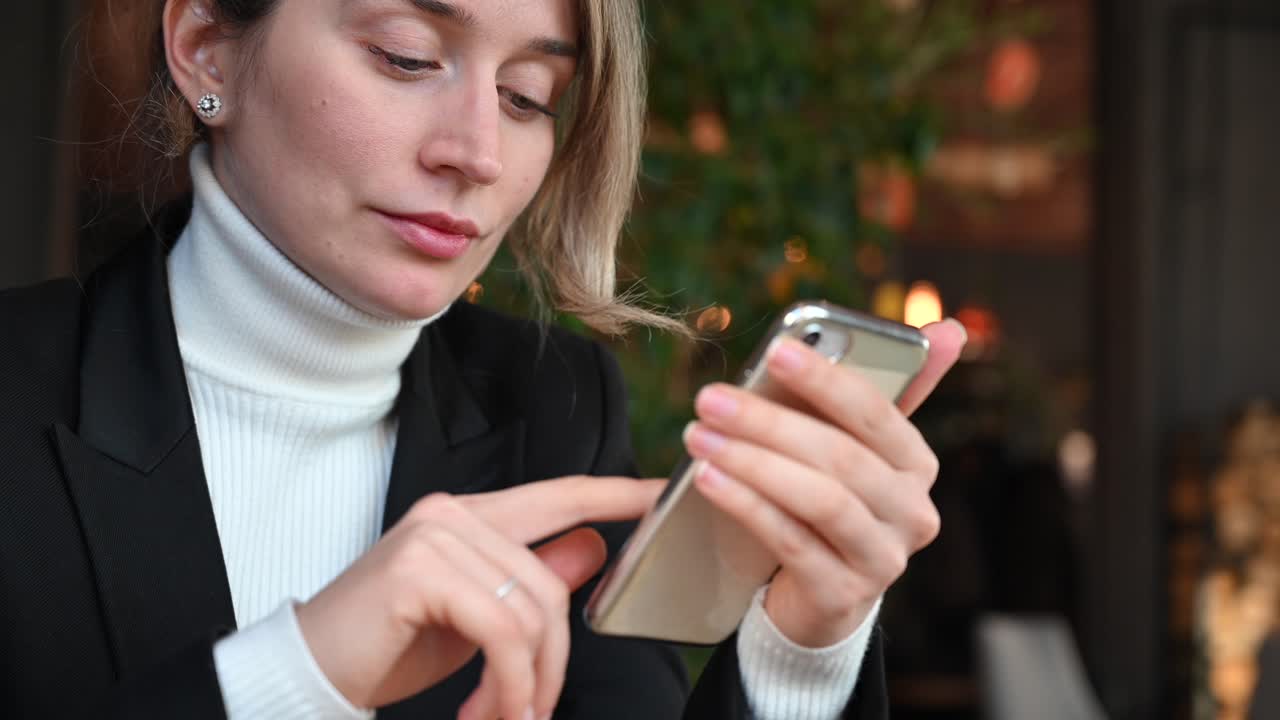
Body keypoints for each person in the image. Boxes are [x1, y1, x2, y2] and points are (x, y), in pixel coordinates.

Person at [0, 0, 966, 718]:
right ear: (206, 44)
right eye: (407, 58)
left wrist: (804, 647)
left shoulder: (556, 408)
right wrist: (297, 674)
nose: (478, 153)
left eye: (525, 95)